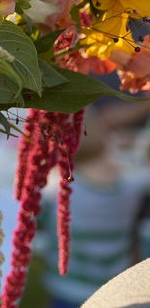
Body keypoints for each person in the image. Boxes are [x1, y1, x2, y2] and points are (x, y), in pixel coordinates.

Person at [36, 106, 150, 308]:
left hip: (69, 290)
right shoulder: (130, 187)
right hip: (115, 290)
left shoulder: (56, 192)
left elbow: (37, 223)